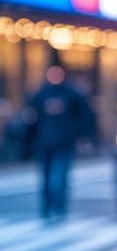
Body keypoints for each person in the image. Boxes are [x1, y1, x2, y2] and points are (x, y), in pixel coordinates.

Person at [23, 63, 96, 218]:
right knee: (46, 177)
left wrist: (83, 136)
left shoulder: (72, 94)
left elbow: (84, 116)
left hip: (64, 141)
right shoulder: (41, 93)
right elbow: (31, 118)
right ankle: (46, 207)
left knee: (61, 176)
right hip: (44, 142)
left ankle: (59, 207)